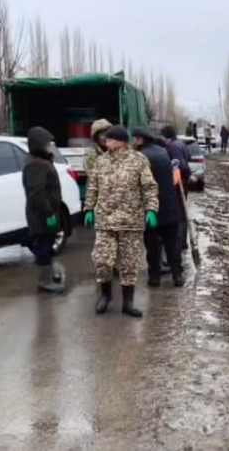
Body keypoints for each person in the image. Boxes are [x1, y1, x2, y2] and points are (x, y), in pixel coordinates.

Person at [84, 125, 159, 317]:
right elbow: (93, 186)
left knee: (129, 263)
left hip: (130, 220)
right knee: (101, 260)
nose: (105, 142)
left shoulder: (139, 160)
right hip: (105, 220)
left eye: (109, 139)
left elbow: (149, 187)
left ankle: (128, 302)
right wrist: (89, 208)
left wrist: (151, 209)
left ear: (120, 141)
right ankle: (105, 295)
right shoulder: (101, 162)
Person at [133, 128, 185, 287]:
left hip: (151, 209)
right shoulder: (164, 152)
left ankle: (154, 277)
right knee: (172, 244)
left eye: (134, 139)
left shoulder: (139, 157)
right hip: (170, 206)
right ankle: (177, 276)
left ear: (141, 140)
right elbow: (175, 177)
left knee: (152, 244)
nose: (133, 142)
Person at [22, 127, 65, 293]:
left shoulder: (41, 161)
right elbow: (37, 193)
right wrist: (49, 213)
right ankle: (45, 281)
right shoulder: (36, 165)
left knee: (48, 245)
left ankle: (49, 275)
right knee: (43, 247)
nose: (49, 147)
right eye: (47, 144)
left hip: (46, 214)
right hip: (41, 215)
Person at [160, 125, 192, 249]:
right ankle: (181, 241)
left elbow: (180, 164)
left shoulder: (173, 147)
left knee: (179, 213)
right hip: (183, 181)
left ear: (165, 136)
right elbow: (188, 158)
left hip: (179, 182)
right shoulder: (181, 144)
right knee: (182, 212)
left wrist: (180, 178)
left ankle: (180, 242)